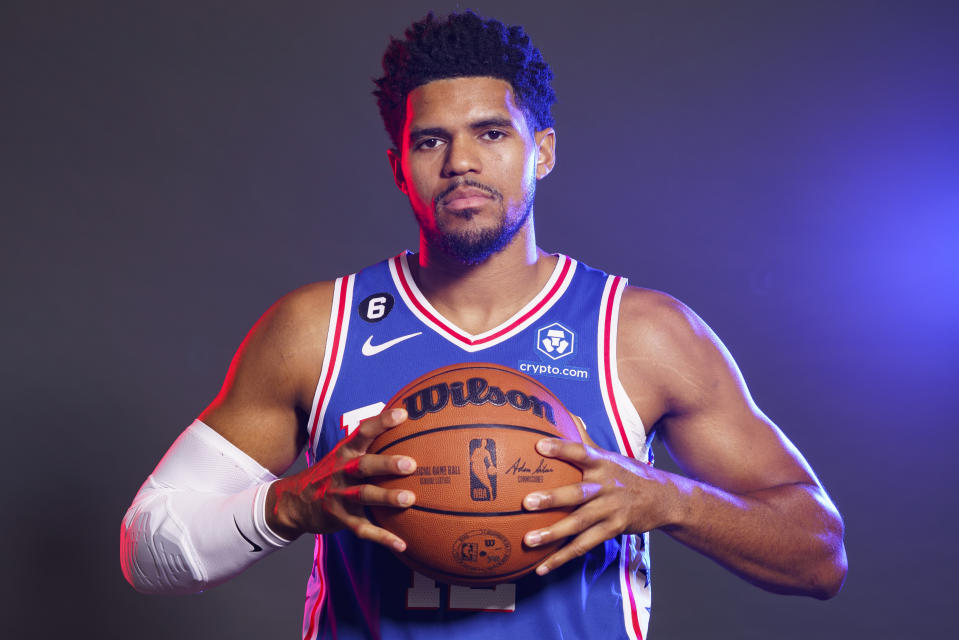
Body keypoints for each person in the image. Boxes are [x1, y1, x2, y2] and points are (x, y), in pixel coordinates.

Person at [120, 11, 847, 639]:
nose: (461, 162)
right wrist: (292, 503)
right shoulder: (319, 327)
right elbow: (146, 546)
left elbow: (817, 555)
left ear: (543, 151)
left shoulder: (640, 333)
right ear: (398, 166)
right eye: (430, 141)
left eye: (491, 133)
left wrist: (667, 497)